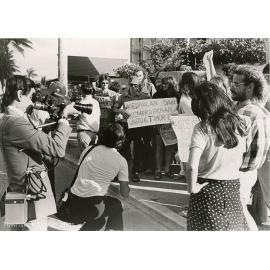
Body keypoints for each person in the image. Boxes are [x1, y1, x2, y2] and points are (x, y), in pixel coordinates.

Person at [0, 75, 78, 230]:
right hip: (30, 196)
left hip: (18, 192)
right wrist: (63, 119)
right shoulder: (16, 122)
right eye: (30, 97)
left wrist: (51, 125)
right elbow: (57, 149)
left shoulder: (8, 118)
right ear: (20, 94)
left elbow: (29, 138)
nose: (32, 102)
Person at [187, 81, 248, 231]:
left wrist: (192, 187)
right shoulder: (240, 123)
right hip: (233, 187)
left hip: (207, 190)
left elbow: (191, 165)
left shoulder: (202, 128)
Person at [57, 123, 130, 231]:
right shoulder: (121, 161)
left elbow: (80, 172)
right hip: (93, 207)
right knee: (118, 206)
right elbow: (125, 194)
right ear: (120, 142)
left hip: (74, 204)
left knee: (99, 221)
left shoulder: (89, 149)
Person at [231, 65, 270, 230]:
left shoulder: (249, 113)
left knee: (240, 212)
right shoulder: (243, 109)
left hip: (241, 173)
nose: (231, 87)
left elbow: (252, 153)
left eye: (236, 84)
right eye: (232, 83)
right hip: (243, 172)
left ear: (250, 87)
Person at [112, 76, 152, 182]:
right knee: (123, 149)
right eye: (132, 85)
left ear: (139, 86)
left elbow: (152, 106)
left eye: (136, 85)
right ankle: (120, 172)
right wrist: (122, 111)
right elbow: (114, 108)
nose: (134, 87)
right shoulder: (123, 96)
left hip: (138, 127)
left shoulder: (144, 96)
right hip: (126, 126)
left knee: (138, 150)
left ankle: (134, 172)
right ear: (129, 85)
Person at [153, 76, 179, 180]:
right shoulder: (157, 94)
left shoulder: (177, 96)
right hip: (159, 125)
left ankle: (167, 170)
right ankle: (159, 170)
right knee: (159, 147)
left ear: (171, 85)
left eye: (166, 84)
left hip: (171, 125)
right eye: (162, 83)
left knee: (169, 148)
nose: (163, 85)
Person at [77, 83, 100, 152]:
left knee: (84, 158)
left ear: (82, 91)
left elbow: (74, 115)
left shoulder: (81, 102)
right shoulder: (96, 102)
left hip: (84, 133)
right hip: (95, 134)